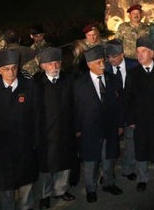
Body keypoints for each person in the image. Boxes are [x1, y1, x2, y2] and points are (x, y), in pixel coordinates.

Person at [0, 49, 38, 210]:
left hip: (25, 145)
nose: (11, 72)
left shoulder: (29, 87)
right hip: (1, 148)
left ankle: (27, 207)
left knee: (26, 182)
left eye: (14, 67)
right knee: (6, 186)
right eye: (6, 68)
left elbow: (37, 116)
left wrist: (35, 142)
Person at [74, 45, 124, 202]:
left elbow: (119, 103)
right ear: (89, 64)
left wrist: (120, 124)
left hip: (110, 127)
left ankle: (109, 183)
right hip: (89, 129)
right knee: (91, 161)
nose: (103, 65)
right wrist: (77, 129)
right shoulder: (79, 84)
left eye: (103, 61)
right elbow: (75, 108)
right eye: (98, 62)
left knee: (109, 158)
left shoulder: (112, 78)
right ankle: (91, 189)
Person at [125, 36, 154, 191]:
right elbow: (127, 98)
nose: (140, 55)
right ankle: (142, 178)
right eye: (138, 51)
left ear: (152, 53)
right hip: (140, 119)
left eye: (144, 51)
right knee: (141, 149)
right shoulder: (132, 73)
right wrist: (130, 118)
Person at [34, 47, 76, 209]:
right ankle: (45, 194)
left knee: (65, 162)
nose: (55, 66)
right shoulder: (36, 83)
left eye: (57, 62)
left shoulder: (68, 79)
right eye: (50, 64)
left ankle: (61, 190)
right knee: (46, 166)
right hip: (45, 132)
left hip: (66, 129)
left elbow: (75, 104)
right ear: (42, 66)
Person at [104, 40, 139, 181]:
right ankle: (107, 173)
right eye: (109, 57)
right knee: (110, 144)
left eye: (114, 56)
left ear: (122, 54)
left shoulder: (134, 66)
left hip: (130, 111)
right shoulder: (104, 68)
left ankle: (128, 168)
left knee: (131, 142)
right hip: (111, 113)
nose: (111, 59)